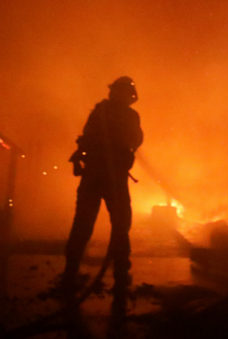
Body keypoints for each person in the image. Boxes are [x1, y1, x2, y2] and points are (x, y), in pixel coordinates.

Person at [62, 76, 143, 305]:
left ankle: (70, 274)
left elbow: (86, 138)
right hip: (112, 178)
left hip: (95, 176)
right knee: (120, 226)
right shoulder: (129, 115)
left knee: (84, 224)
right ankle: (120, 276)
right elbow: (136, 140)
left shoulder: (100, 112)